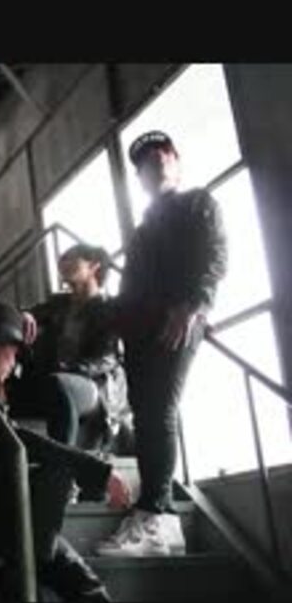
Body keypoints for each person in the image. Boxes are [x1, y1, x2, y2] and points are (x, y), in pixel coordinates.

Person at [0, 297, 131, 602]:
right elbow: (17, 440)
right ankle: (34, 558)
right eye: (12, 352)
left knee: (81, 582)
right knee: (57, 470)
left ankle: (35, 557)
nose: (14, 364)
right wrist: (96, 471)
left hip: (4, 522)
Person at [95, 130, 228, 558]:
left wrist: (194, 306)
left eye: (160, 157)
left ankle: (159, 516)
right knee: (146, 414)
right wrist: (114, 321)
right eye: (144, 165)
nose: (153, 167)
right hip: (140, 331)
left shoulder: (198, 203)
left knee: (160, 412)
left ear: (175, 161)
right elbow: (131, 285)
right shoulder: (143, 229)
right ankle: (152, 508)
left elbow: (216, 257)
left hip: (178, 321)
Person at [9, 243, 130, 451]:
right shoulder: (57, 304)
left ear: (94, 266)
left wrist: (70, 371)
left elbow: (107, 358)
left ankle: (63, 466)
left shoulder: (108, 308)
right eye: (61, 259)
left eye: (71, 258)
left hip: (94, 385)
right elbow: (25, 314)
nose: (62, 263)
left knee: (58, 384)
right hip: (54, 380)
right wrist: (26, 315)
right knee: (5, 389)